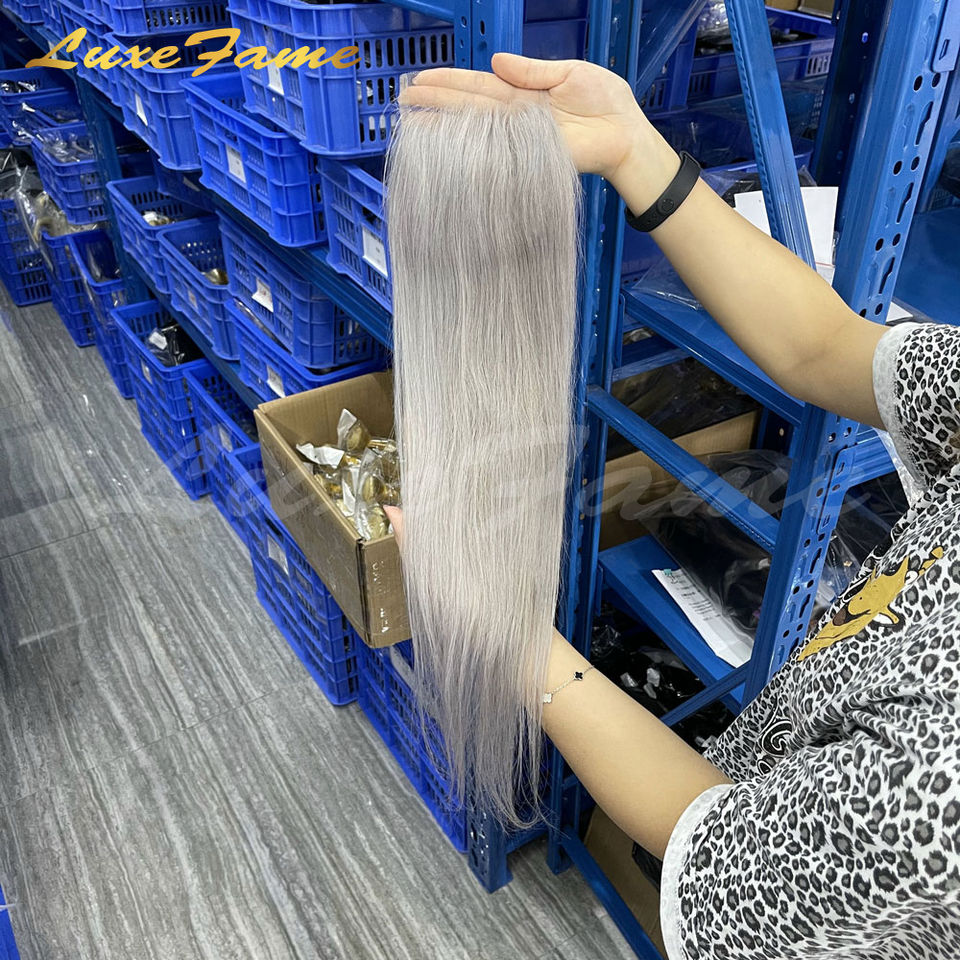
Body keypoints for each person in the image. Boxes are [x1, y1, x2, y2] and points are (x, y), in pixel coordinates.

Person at [385, 54, 960, 960]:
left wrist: (508, 637)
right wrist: (632, 148)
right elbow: (822, 348)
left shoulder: (937, 793)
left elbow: (715, 854)